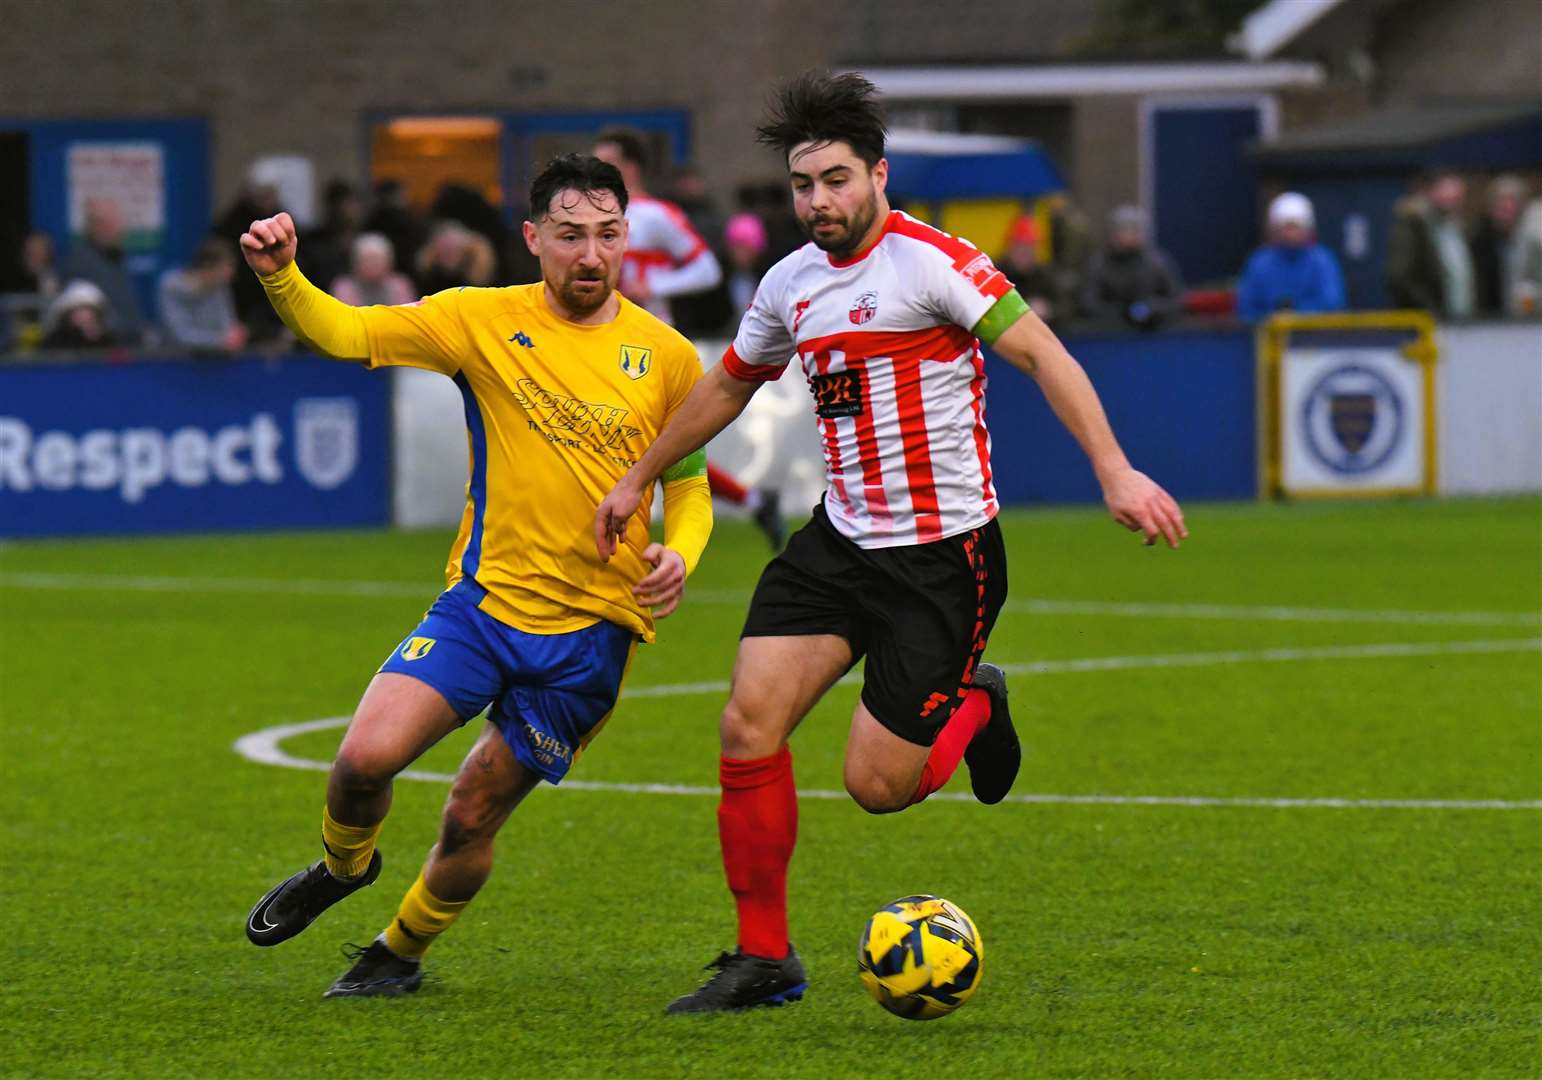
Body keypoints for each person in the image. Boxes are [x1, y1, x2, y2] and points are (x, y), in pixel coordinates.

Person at [594, 72, 1186, 1014]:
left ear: (878, 173)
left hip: (943, 558)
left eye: (834, 179)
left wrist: (1114, 471)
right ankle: (764, 960)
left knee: (877, 787)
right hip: (839, 544)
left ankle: (979, 707)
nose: (817, 201)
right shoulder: (790, 284)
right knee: (747, 726)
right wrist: (637, 478)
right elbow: (727, 386)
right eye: (802, 185)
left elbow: (1042, 353)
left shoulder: (933, 264)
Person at [240, 154, 714, 998]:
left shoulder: (669, 356)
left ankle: (398, 953)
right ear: (534, 240)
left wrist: (684, 552)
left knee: (469, 815)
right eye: (570, 236)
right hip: (481, 610)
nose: (591, 254)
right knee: (360, 762)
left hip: (589, 644)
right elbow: (350, 333)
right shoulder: (478, 321)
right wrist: (284, 278)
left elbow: (692, 487)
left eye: (607, 235)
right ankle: (344, 867)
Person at [592, 128, 723, 325]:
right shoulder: (587, 215)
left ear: (632, 167)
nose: (595, 172)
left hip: (649, 329)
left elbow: (707, 270)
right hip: (599, 327)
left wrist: (653, 286)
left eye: (606, 164)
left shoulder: (656, 214)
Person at [1235, 192, 1347, 320]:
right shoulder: (1259, 263)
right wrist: (1274, 318)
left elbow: (1333, 304)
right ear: (1274, 229)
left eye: (1296, 227)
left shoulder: (1322, 260)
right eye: (1286, 227)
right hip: (1267, 337)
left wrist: (1296, 315)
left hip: (1315, 336)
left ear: (1308, 228)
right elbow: (1246, 309)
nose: (1291, 234)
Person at [55, 197, 147, 345]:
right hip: (102, 355)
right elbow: (82, 317)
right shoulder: (79, 263)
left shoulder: (117, 258)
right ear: (96, 227)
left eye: (120, 222)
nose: (121, 229)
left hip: (132, 349)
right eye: (113, 223)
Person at [1387, 170, 1474, 318]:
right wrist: (1430, 309)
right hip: (1429, 322)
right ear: (1430, 191)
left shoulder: (1457, 227)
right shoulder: (1413, 223)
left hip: (1465, 321)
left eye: (1457, 192)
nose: (1454, 196)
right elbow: (1399, 276)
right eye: (1447, 189)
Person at [1080, 205, 1183, 330]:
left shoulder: (1158, 263)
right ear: (1113, 234)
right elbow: (1088, 303)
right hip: (1109, 332)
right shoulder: (1098, 263)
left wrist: (1151, 308)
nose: (1132, 236)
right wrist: (1123, 311)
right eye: (1126, 230)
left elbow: (1176, 300)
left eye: (1137, 231)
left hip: (1153, 331)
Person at [158, 236, 247, 351]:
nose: (232, 273)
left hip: (217, 359)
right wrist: (220, 340)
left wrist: (235, 335)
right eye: (227, 266)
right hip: (173, 361)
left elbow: (228, 328)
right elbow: (180, 335)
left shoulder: (220, 288)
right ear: (207, 266)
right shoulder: (170, 287)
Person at [1470, 174, 1529, 317]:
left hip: (1528, 319)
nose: (1505, 206)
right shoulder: (1477, 241)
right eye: (1499, 201)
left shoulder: (1530, 240)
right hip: (1489, 318)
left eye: (1511, 201)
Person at [998, 213, 1064, 329]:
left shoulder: (1045, 275)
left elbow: (1064, 306)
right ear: (1009, 248)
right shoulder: (998, 274)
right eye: (1020, 248)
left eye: (1030, 249)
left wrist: (1049, 310)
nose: (1025, 255)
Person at [330, 233, 415, 307]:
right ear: (355, 262)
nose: (373, 264)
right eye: (368, 259)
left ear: (390, 262)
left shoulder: (400, 286)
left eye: (377, 259)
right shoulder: (344, 287)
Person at [415, 220, 496, 294]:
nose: (450, 253)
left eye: (456, 250)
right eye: (445, 250)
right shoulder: (427, 278)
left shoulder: (479, 278)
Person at [40, 279, 118, 349]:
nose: (81, 315)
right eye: (76, 310)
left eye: (85, 308)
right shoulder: (56, 340)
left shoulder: (108, 340)